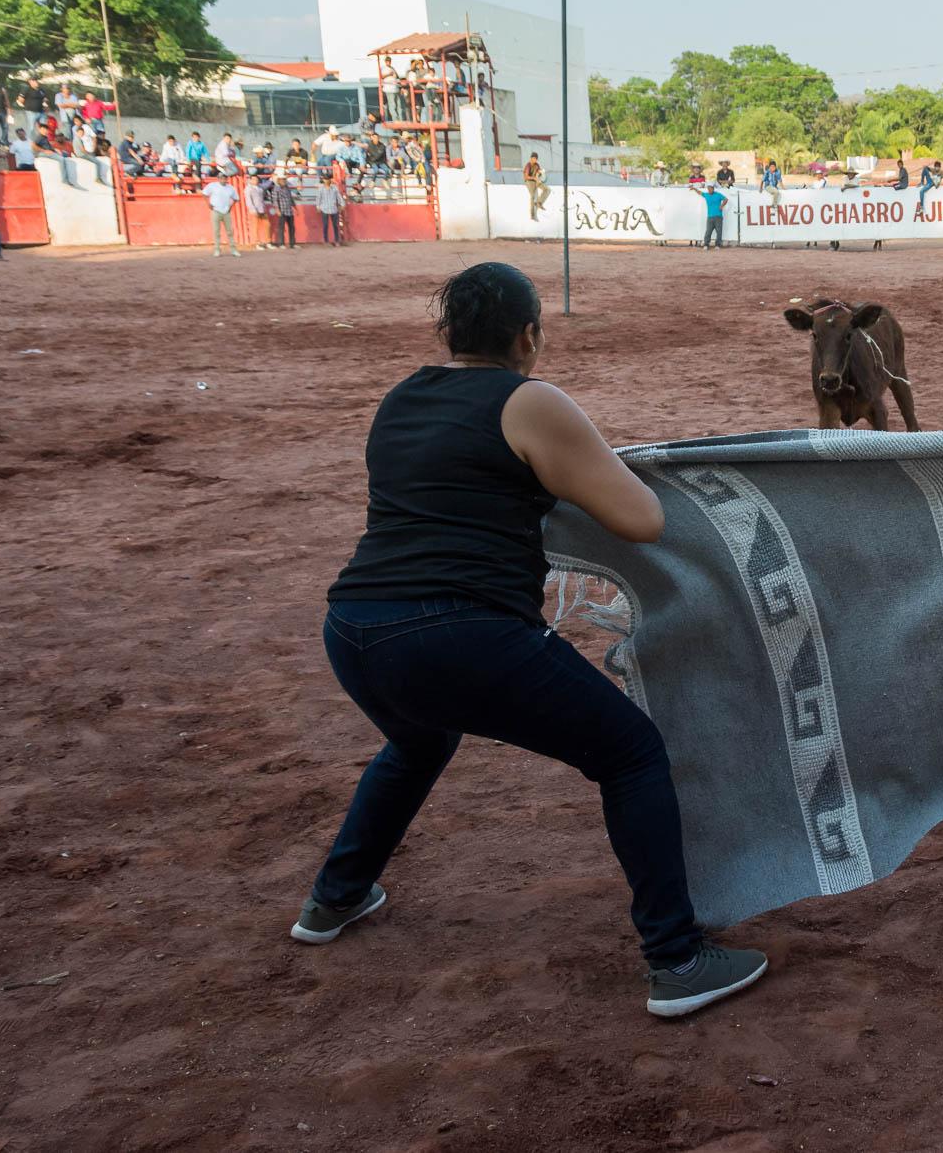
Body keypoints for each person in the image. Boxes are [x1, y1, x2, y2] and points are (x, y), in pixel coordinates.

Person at [299, 262, 768, 1015]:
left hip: (353, 627)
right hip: (458, 632)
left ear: (448, 333)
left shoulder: (400, 398)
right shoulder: (531, 400)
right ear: (530, 335)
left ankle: (333, 898)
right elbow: (641, 518)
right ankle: (677, 959)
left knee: (419, 741)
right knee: (631, 751)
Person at [200, 168, 240, 258]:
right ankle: (217, 249)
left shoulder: (230, 188)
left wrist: (230, 206)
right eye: (222, 178)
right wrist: (208, 204)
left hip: (226, 211)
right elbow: (204, 194)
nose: (223, 180)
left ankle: (233, 249)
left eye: (225, 178)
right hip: (216, 210)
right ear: (218, 178)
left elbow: (236, 198)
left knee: (230, 231)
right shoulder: (213, 186)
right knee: (216, 231)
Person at [691, 182, 728, 249]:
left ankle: (717, 245)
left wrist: (722, 206)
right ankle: (706, 244)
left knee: (719, 231)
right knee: (708, 231)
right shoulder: (706, 195)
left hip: (718, 216)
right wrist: (694, 189)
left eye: (710, 189)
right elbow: (700, 192)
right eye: (708, 189)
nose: (709, 190)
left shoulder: (718, 194)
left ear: (713, 188)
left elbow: (726, 199)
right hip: (710, 217)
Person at [267, 172, 297, 249]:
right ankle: (281, 243)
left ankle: (292, 243)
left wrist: (295, 208)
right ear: (278, 180)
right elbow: (275, 200)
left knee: (292, 228)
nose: (283, 181)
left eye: (284, 179)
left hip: (289, 210)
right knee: (281, 228)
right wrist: (277, 210)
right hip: (282, 210)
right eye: (282, 179)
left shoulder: (287, 188)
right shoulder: (276, 189)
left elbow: (291, 198)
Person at [318, 173, 347, 246]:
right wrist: (318, 206)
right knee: (325, 225)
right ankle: (326, 241)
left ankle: (336, 240)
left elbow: (339, 197)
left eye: (327, 179)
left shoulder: (334, 188)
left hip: (333, 208)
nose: (326, 181)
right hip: (325, 208)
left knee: (335, 226)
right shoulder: (321, 189)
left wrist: (342, 204)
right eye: (325, 179)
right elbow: (318, 198)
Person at [523, 153, 549, 220]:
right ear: (531, 158)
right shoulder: (528, 165)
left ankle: (539, 202)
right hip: (529, 181)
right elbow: (526, 176)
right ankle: (532, 215)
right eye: (533, 158)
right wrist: (534, 178)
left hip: (536, 181)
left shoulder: (537, 165)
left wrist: (541, 172)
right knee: (533, 196)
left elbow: (539, 173)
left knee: (547, 189)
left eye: (536, 158)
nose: (534, 160)